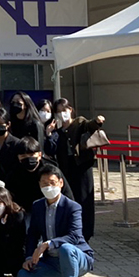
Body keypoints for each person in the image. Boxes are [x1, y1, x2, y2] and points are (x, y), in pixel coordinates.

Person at [16, 165, 94, 277]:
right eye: (44, 183)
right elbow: (32, 234)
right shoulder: (38, 206)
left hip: (77, 257)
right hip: (52, 261)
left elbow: (75, 236)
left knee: (66, 248)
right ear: (39, 185)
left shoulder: (73, 207)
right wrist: (29, 257)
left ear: (61, 183)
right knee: (23, 276)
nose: (48, 187)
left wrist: (48, 244)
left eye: (52, 182)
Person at [44, 98, 103, 240]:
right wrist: (49, 134)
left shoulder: (79, 123)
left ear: (70, 110)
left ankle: (85, 233)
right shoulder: (57, 132)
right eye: (58, 112)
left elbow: (89, 126)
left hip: (82, 168)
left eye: (64, 110)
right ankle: (71, 231)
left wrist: (97, 121)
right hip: (66, 170)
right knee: (70, 200)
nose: (62, 114)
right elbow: (50, 150)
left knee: (85, 200)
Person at [6, 137, 72, 213]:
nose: (28, 159)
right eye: (23, 156)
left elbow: (67, 193)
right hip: (25, 211)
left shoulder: (51, 170)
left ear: (39, 155)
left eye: (32, 155)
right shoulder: (14, 173)